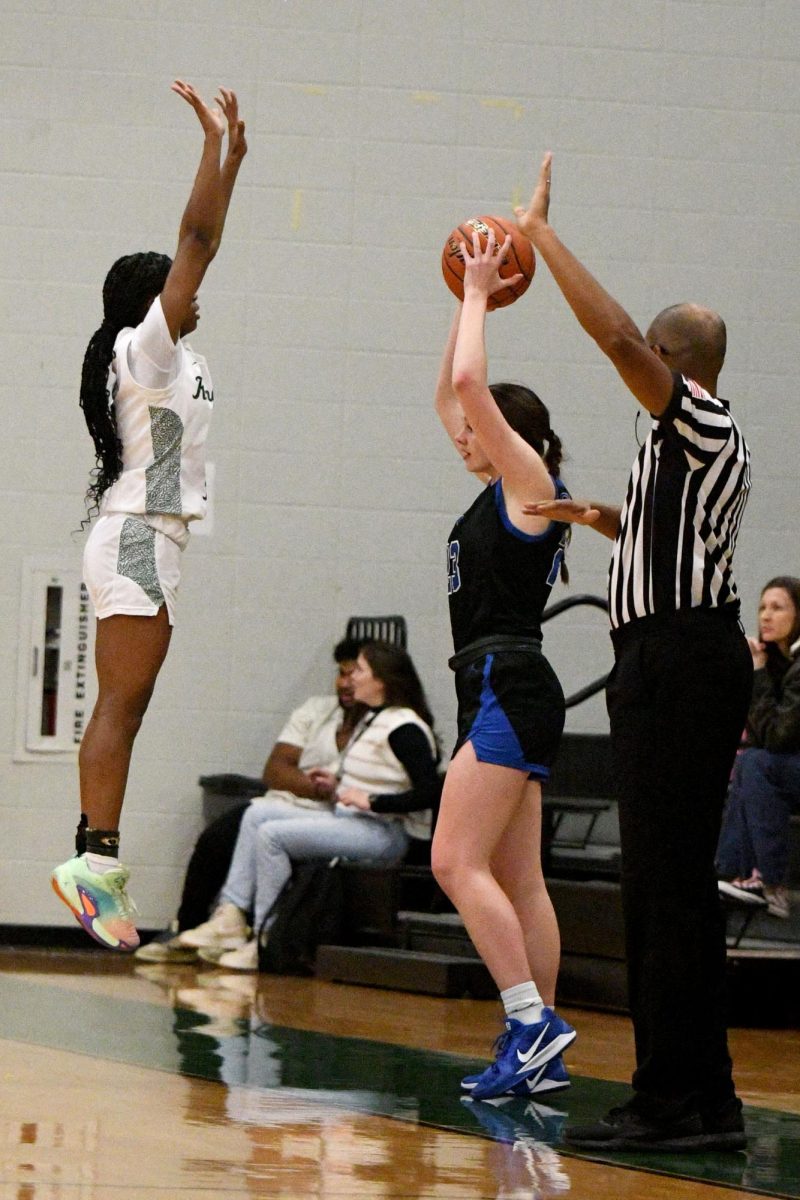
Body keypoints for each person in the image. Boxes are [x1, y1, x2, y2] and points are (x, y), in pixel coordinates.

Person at [516, 153, 753, 1152]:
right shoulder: (674, 450)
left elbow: (608, 329)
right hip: (669, 658)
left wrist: (540, 237)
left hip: (679, 662)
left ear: (668, 357)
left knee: (660, 886)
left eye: (645, 354)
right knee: (663, 888)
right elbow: (665, 541)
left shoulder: (695, 417)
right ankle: (706, 1100)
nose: (629, 361)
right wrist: (597, 518)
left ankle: (670, 1101)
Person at [51, 81, 248, 952]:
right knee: (122, 703)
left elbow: (203, 248)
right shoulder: (146, 348)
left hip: (152, 538)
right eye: (176, 286)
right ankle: (92, 862)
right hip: (137, 537)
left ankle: (96, 856)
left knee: (132, 700)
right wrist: (213, 152)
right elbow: (198, 239)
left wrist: (234, 159)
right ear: (152, 298)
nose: (192, 289)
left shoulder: (174, 355)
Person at [431, 229, 576, 1103]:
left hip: (505, 683)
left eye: (476, 431)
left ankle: (528, 1022)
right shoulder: (498, 489)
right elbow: (450, 393)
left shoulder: (528, 485)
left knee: (454, 862)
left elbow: (467, 386)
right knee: (518, 877)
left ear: (508, 434)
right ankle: (543, 1050)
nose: (461, 435)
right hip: (505, 685)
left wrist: (483, 290)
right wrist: (461, 298)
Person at [178, 641, 441, 971]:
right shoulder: (374, 719)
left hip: (384, 833)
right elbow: (378, 778)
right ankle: (231, 915)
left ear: (382, 680)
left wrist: (374, 801)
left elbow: (430, 793)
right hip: (353, 819)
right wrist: (336, 785)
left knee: (272, 836)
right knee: (257, 813)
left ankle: (267, 936)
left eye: (358, 670)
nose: (350, 679)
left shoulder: (404, 727)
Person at [134, 636, 367, 964]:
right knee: (215, 838)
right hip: (288, 804)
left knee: (267, 834)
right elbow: (275, 771)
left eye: (353, 674)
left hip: (333, 815)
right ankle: (191, 928)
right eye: (340, 674)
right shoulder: (316, 710)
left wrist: (330, 790)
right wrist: (316, 787)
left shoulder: (382, 724)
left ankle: (259, 934)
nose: (344, 683)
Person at [717, 576, 800, 919]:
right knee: (747, 762)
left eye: (778, 607)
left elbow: (778, 736)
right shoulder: (778, 663)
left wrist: (759, 675)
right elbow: (756, 734)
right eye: (763, 607)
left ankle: (770, 883)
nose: (766, 615)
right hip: (788, 768)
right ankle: (736, 875)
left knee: (755, 763)